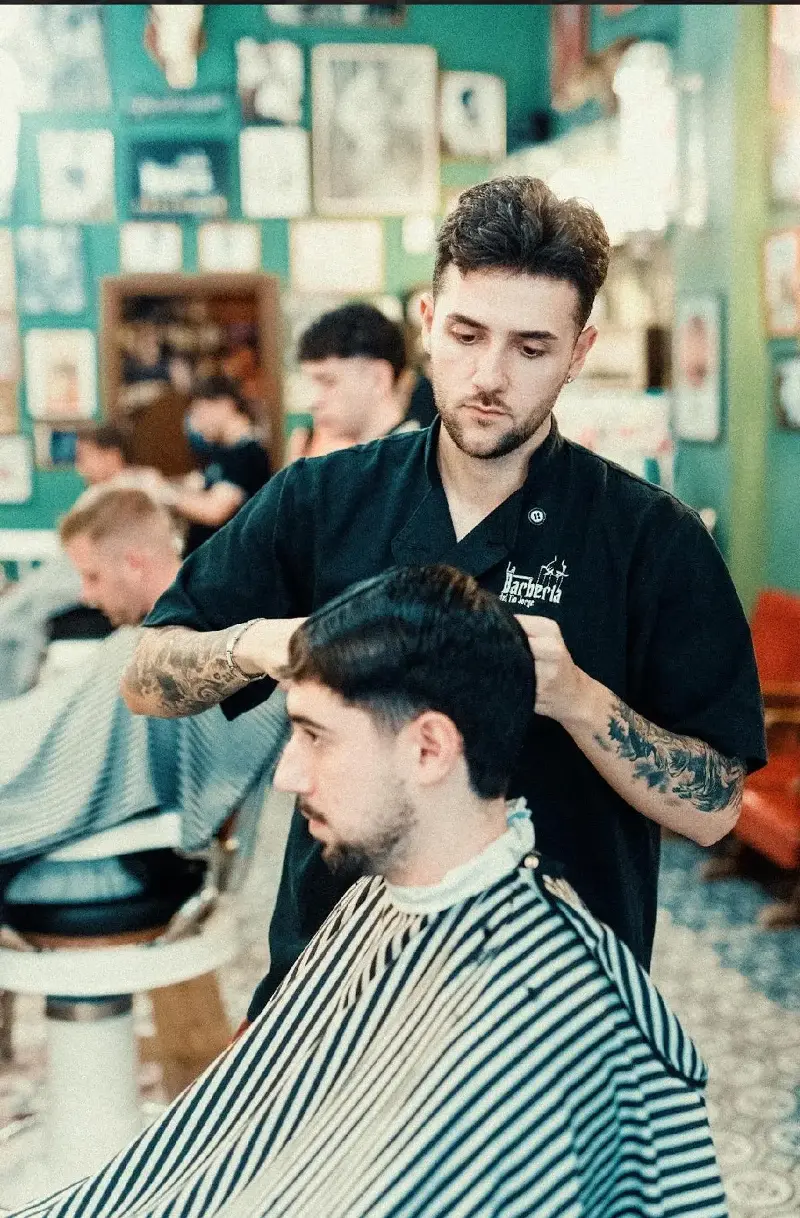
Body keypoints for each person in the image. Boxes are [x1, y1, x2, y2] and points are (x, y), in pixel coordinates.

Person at [122, 176, 766, 1026]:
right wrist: (265, 645)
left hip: (556, 1003)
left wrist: (577, 698)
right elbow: (143, 674)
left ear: (579, 351)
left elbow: (717, 808)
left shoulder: (651, 538)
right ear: (427, 320)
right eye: (466, 334)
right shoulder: (324, 499)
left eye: (532, 349)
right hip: (333, 977)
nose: (489, 377)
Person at [22, 566, 728, 1218]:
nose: (286, 776)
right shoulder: (373, 902)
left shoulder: (544, 1010)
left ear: (428, 749)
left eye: (314, 737)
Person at [0, 485, 286, 873]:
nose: (85, 594)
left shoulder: (193, 655)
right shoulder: (156, 637)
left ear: (133, 563)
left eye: (93, 576)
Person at [0, 422, 170, 701]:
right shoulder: (102, 494)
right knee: (17, 609)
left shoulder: (134, 492)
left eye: (85, 457)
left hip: (80, 574)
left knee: (18, 614)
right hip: (69, 570)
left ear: (111, 455)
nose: (80, 468)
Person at [286, 301, 417, 460]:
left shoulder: (411, 465)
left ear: (377, 379)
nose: (314, 402)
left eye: (328, 382)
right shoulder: (364, 462)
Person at [175, 374, 272, 554]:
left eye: (200, 413)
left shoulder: (249, 453)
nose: (196, 424)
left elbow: (215, 511)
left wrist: (162, 492)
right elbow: (194, 485)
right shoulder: (219, 451)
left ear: (225, 405)